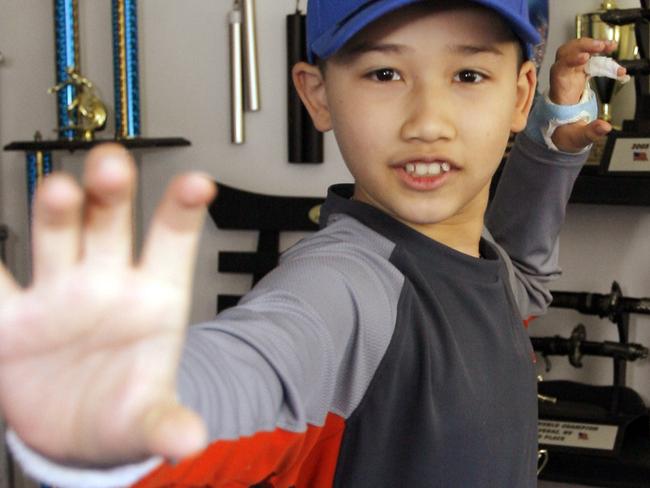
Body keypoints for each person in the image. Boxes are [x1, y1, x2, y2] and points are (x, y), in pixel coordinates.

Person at [0, 0, 625, 487]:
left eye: (468, 74)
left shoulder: (480, 267)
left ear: (518, 95)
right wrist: (122, 408)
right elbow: (263, 357)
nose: (428, 120)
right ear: (317, 94)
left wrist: (551, 143)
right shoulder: (347, 287)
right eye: (384, 72)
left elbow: (520, 276)